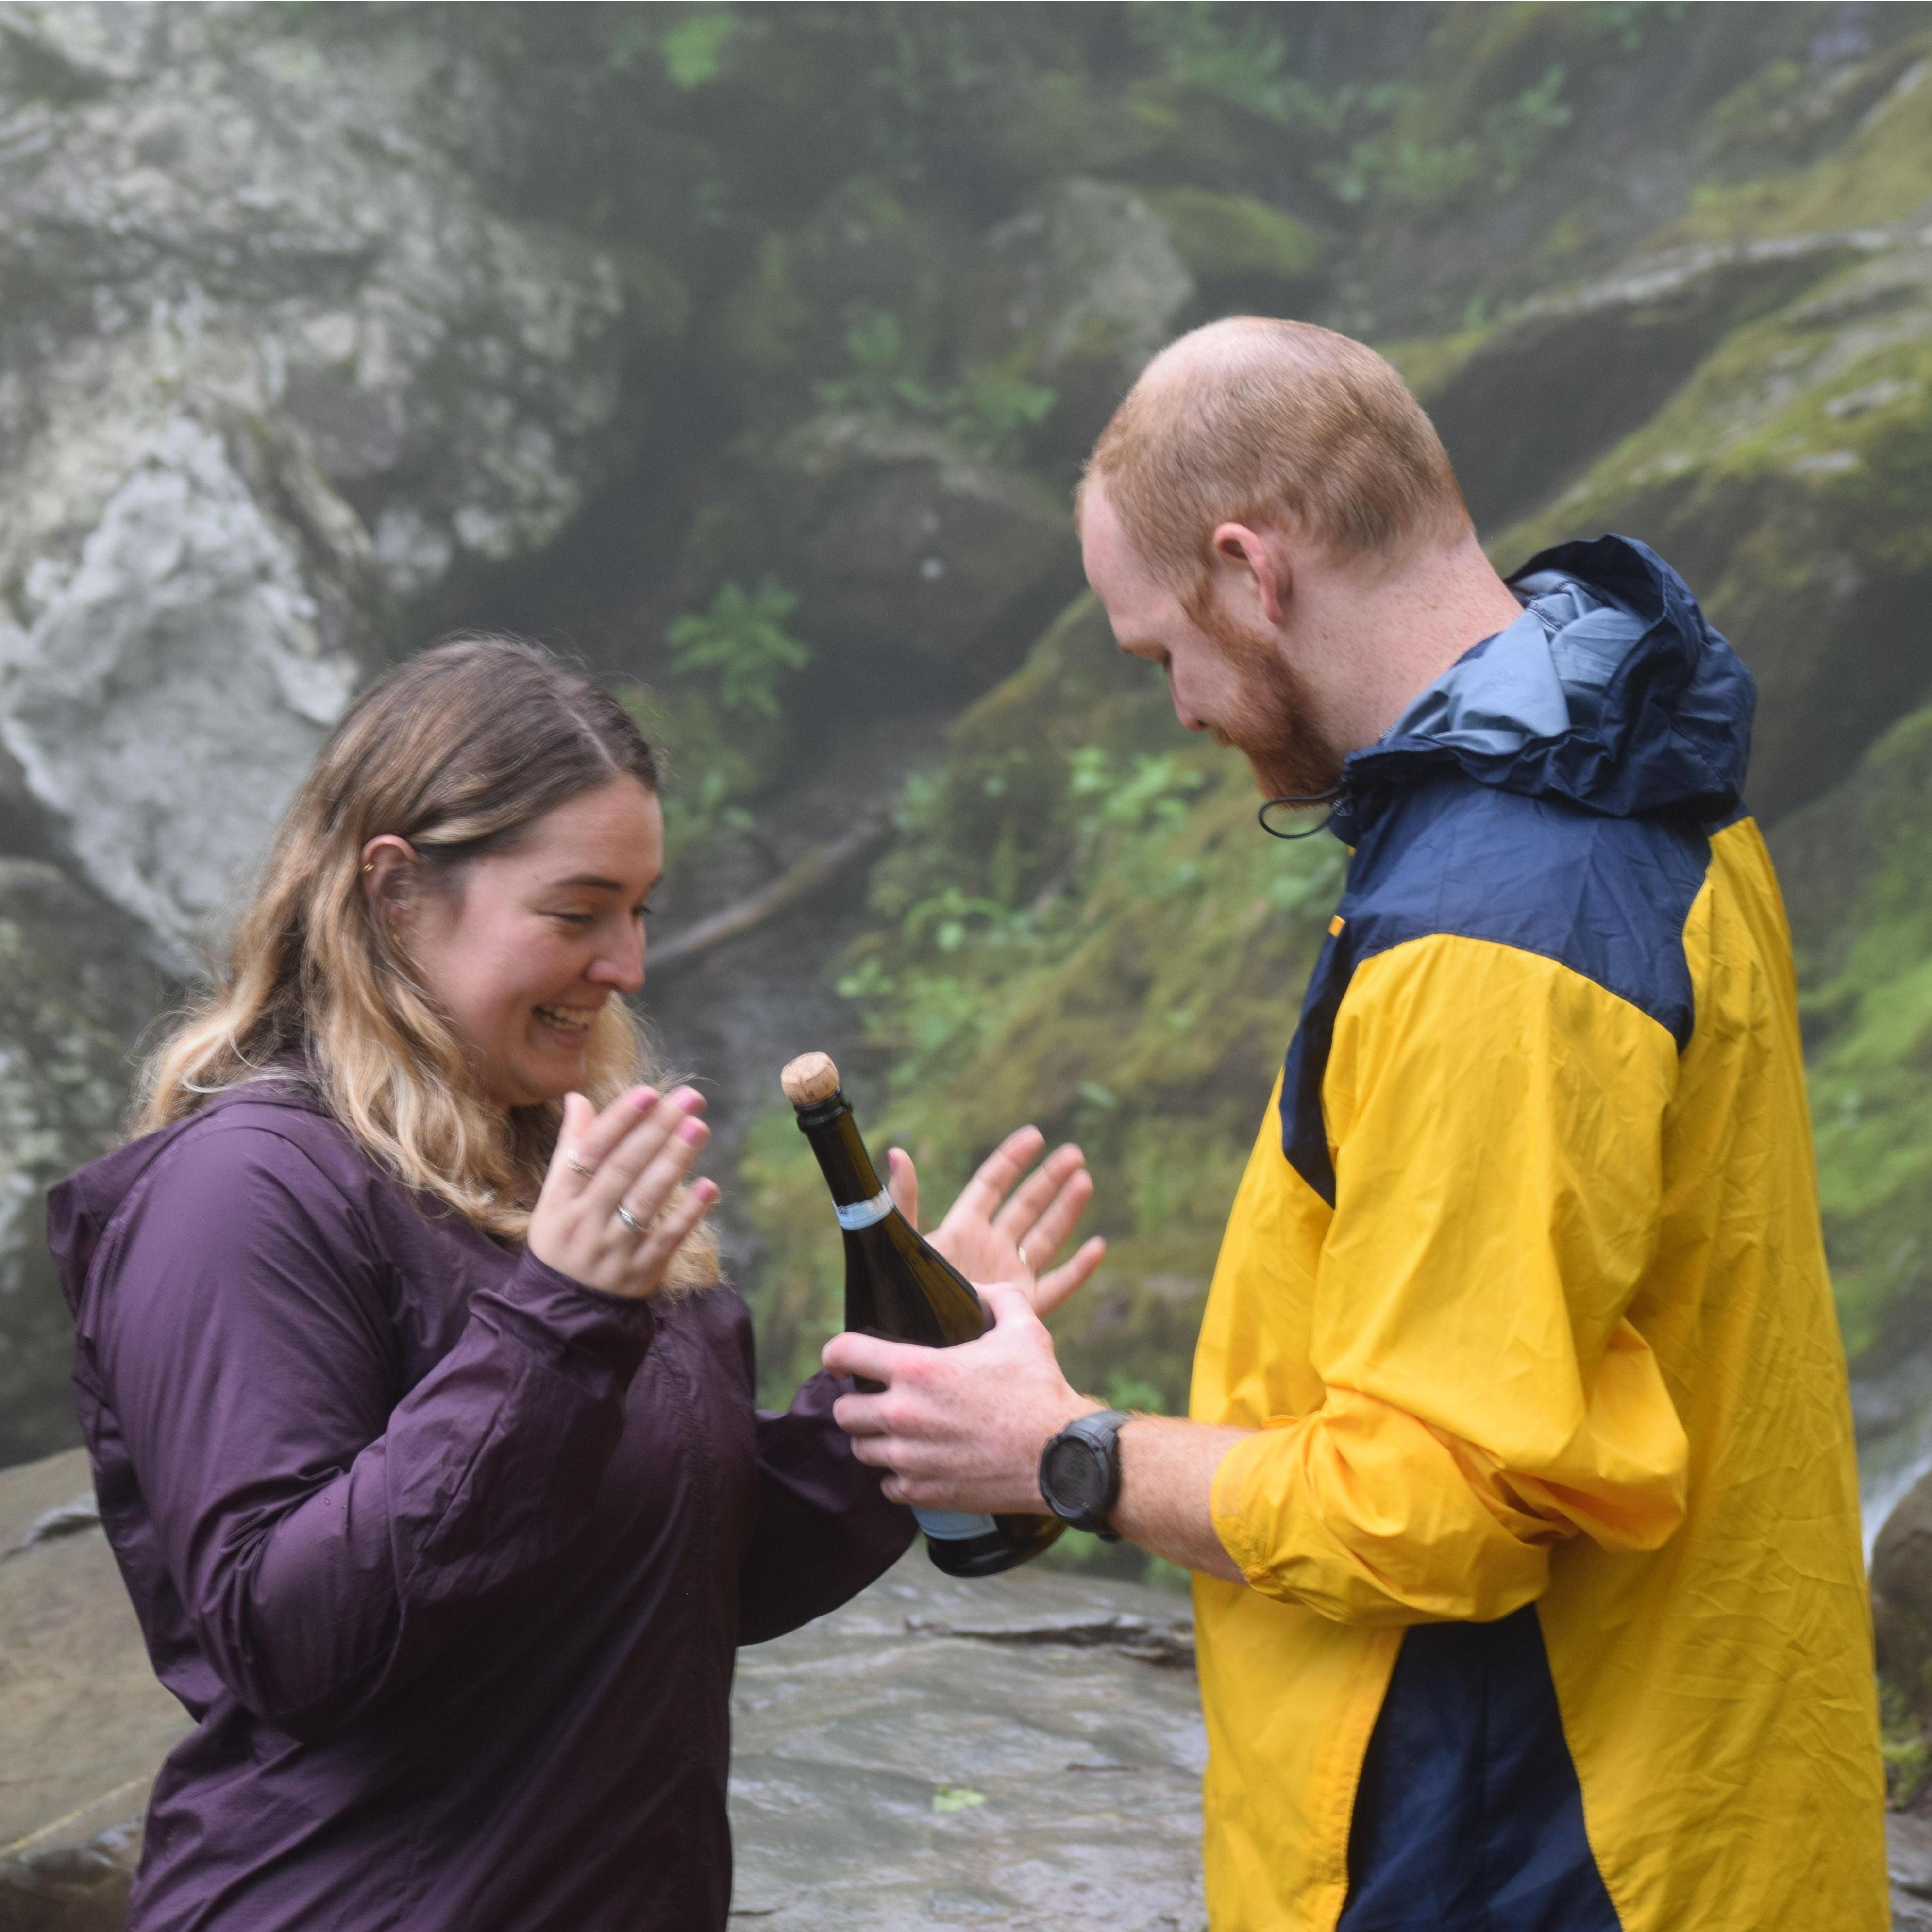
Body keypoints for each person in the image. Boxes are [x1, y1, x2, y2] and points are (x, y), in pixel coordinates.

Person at [823, 317, 1889, 1932]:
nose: (1177, 706)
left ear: (1254, 571)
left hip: (1531, 1852)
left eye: (1154, 650)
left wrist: (1060, 1449)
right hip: (1701, 1797)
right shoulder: (1635, 779)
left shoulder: (1495, 927)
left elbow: (1443, 1506)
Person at [50, 638, 1102, 1932]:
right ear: (393, 891)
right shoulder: (242, 1190)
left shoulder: (549, 1160)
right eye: (577, 910)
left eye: (640, 909)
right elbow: (288, 1634)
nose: (628, 963)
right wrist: (554, 1321)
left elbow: (682, 1564)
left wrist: (917, 1383)